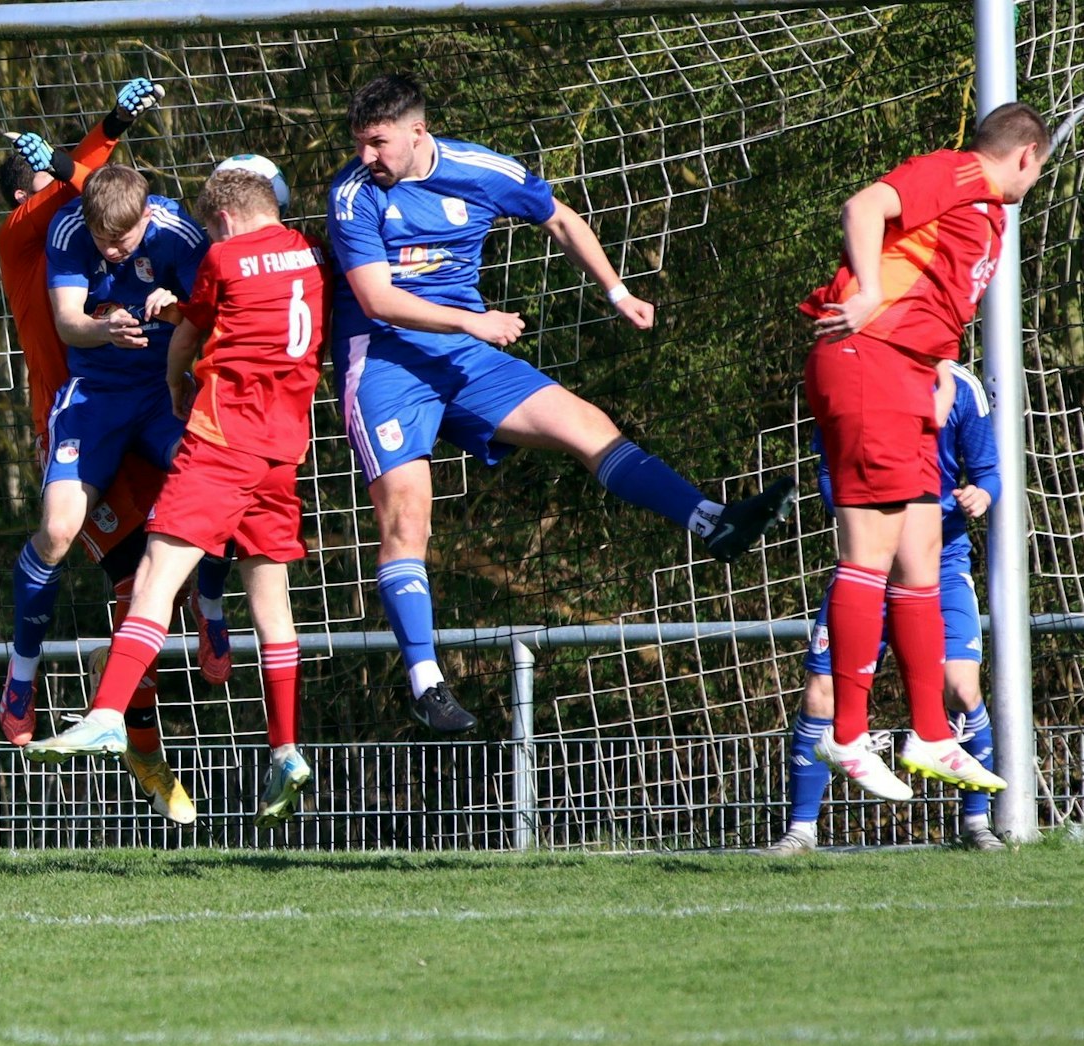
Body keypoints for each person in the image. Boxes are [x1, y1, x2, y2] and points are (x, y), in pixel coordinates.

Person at [327, 74, 797, 735]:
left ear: (417, 132)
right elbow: (377, 299)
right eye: (359, 143)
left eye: (377, 142)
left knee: (587, 426)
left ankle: (711, 521)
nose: (366, 156)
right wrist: (473, 322)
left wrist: (616, 291)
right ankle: (425, 682)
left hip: (466, 357)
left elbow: (559, 217)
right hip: (385, 365)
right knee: (408, 516)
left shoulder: (479, 169)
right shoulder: (352, 194)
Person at [26, 162, 327, 828]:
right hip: (285, 447)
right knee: (273, 607)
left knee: (154, 579)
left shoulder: (223, 257)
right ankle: (285, 748)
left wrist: (171, 377)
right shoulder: (309, 254)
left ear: (221, 219)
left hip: (222, 441)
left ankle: (107, 713)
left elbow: (192, 332)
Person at [799, 102, 1047, 800]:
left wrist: (937, 366)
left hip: (907, 370)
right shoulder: (958, 172)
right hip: (869, 358)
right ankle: (846, 734)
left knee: (920, 553)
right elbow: (863, 206)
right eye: (1037, 171)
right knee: (868, 555)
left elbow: (931, 289)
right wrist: (869, 292)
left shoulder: (987, 213)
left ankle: (931, 734)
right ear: (1025, 155)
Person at [0, 82, 233, 750]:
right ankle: (45, 688)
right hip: (79, 408)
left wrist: (116, 121)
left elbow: (94, 182)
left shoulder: (146, 228)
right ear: (26, 200)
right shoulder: (30, 232)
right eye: (54, 183)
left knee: (178, 547)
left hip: (153, 399)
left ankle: (142, 725)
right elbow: (82, 187)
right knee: (92, 551)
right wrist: (102, 134)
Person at [771, 362, 1004, 853]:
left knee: (961, 687)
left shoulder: (961, 388)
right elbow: (830, 474)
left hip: (940, 562)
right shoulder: (852, 376)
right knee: (820, 695)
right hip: (870, 565)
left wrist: (981, 495)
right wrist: (877, 508)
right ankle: (800, 832)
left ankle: (977, 823)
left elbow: (989, 474)